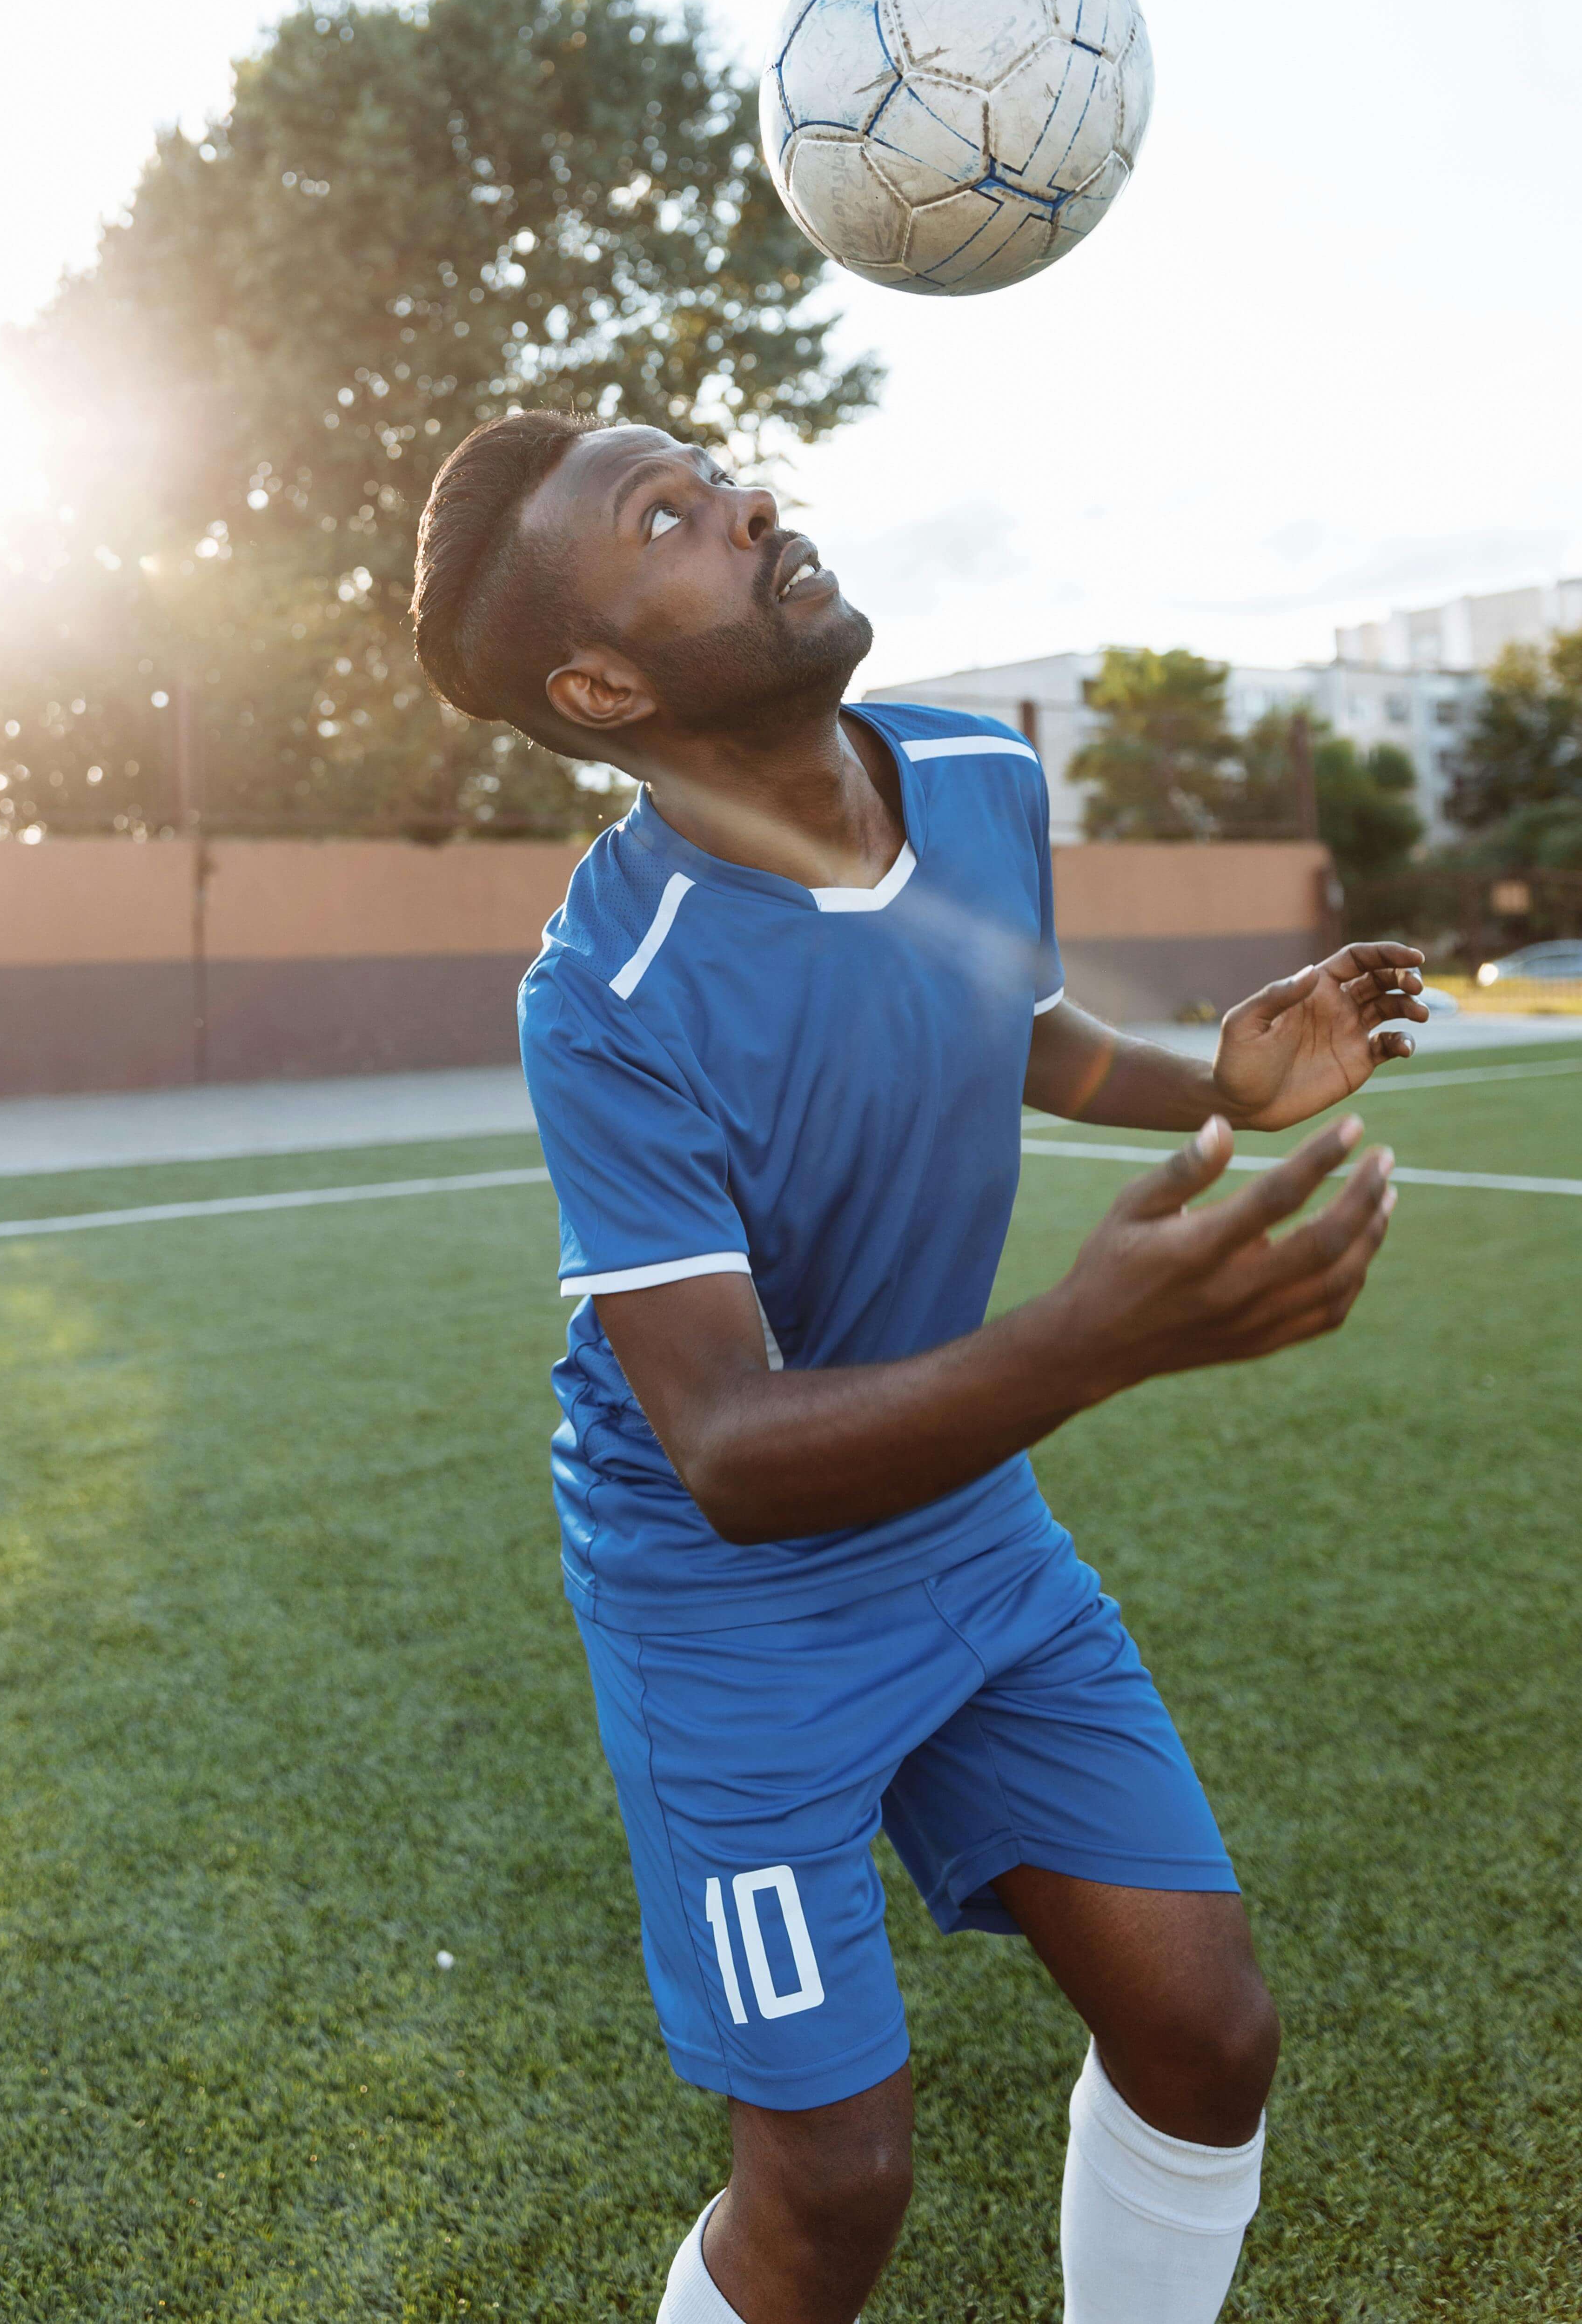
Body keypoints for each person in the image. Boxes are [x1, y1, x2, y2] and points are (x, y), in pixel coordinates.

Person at [409, 411, 1421, 2324]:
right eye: (668, 517)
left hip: (959, 1524)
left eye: (716, 470)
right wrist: (1082, 1343)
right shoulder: (606, 998)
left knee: (1202, 2032)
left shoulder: (969, 772)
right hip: (727, 1604)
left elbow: (1007, 1020)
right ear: (599, 680)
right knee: (833, 2184)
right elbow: (718, 1444)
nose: (748, 506)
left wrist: (1213, 1074)